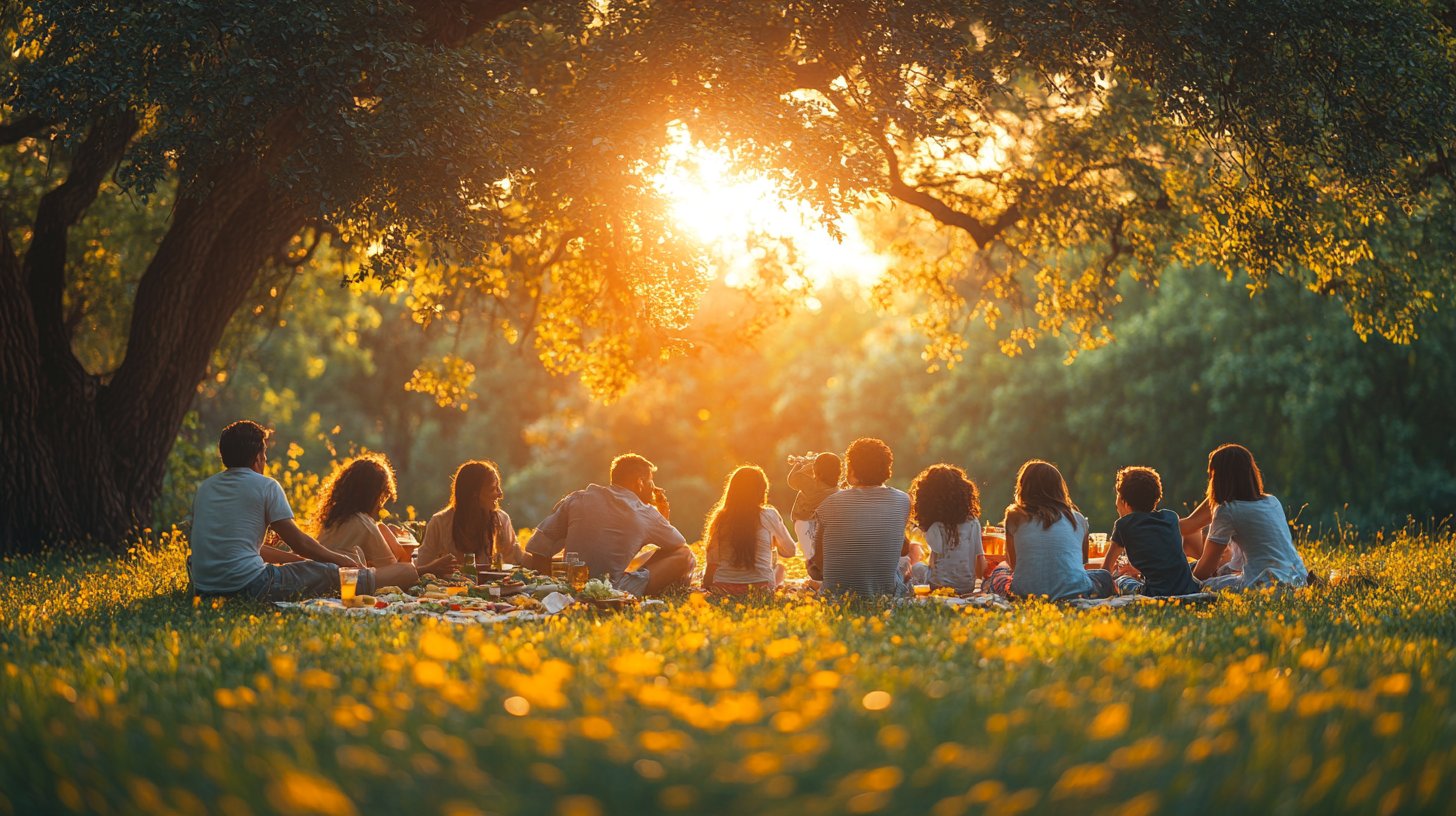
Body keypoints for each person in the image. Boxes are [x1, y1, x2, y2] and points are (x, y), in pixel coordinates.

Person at [188, 420, 378, 601]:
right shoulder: (266, 486)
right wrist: (341, 560)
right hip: (251, 585)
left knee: (303, 569)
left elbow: (228, 545)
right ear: (258, 458)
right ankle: (386, 581)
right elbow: (299, 542)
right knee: (327, 571)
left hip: (204, 590)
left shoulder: (205, 487)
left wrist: (295, 561)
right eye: (265, 457)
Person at [523, 454, 694, 596]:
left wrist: (547, 585)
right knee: (685, 555)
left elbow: (539, 544)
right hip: (612, 590)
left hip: (571, 584)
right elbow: (677, 545)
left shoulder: (578, 498)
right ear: (639, 483)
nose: (654, 488)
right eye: (651, 482)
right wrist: (662, 515)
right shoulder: (645, 511)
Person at [1181, 444, 1308, 590]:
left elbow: (1205, 570)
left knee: (1203, 585)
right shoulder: (1272, 501)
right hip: (1299, 580)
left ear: (1219, 478)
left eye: (1211, 475)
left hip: (1267, 585)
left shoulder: (1227, 510)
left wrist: (1184, 585)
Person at [984, 460, 1114, 600]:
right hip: (1076, 590)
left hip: (1026, 593)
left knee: (1000, 570)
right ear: (1060, 489)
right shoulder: (1078, 519)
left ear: (1023, 487)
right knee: (1103, 576)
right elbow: (1082, 562)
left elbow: (1014, 565)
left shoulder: (1015, 516)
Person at [314, 454, 454, 584]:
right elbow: (396, 572)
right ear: (373, 495)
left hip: (323, 580)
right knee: (404, 571)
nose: (381, 506)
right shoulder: (363, 523)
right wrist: (431, 567)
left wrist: (384, 531)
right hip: (343, 584)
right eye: (382, 497)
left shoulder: (334, 519)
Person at [810, 438, 912, 598]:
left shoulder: (829, 504)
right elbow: (903, 549)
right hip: (884, 597)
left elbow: (819, 558)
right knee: (904, 562)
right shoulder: (903, 501)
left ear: (851, 469)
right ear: (887, 469)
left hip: (835, 596)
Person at [1102, 466, 1202, 597]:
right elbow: (1160, 557)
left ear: (1124, 502)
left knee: (1122, 580)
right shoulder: (1170, 517)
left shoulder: (1123, 525)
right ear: (1156, 498)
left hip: (1156, 593)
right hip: (1189, 588)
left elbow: (1106, 569)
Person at [701, 465, 796, 594]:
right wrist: (772, 541)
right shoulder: (769, 515)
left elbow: (712, 563)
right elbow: (790, 551)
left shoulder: (721, 518)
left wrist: (705, 586)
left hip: (723, 588)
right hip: (760, 589)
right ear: (761, 491)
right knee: (780, 568)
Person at [417, 460, 523, 571]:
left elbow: (514, 561)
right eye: (493, 489)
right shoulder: (439, 523)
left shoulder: (502, 520)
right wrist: (437, 566)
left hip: (492, 587)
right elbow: (421, 567)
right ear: (473, 494)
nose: (500, 494)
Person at [907, 464, 985, 595]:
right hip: (967, 587)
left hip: (937, 586)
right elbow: (980, 563)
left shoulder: (935, 527)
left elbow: (934, 559)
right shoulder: (973, 523)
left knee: (916, 567)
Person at [787, 451, 841, 561]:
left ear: (818, 472)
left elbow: (792, 480)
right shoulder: (837, 491)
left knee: (810, 554)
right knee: (821, 550)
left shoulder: (810, 485)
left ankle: (813, 567)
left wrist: (800, 464)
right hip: (823, 525)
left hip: (803, 522)